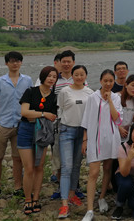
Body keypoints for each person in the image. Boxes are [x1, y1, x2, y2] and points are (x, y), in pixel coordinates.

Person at [0, 51, 33, 203]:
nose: (15, 63)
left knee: (17, 158)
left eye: (18, 61)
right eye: (12, 61)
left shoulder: (27, 80)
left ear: (21, 63)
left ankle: (17, 187)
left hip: (20, 124)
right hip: (3, 124)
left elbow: (31, 99)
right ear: (6, 63)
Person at [80, 69, 123, 221]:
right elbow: (86, 120)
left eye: (111, 81)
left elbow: (117, 119)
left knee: (107, 169)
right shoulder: (92, 97)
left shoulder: (116, 98)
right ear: (100, 81)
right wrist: (85, 140)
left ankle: (102, 197)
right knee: (93, 173)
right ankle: (89, 210)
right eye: (105, 81)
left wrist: (110, 100)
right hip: (95, 139)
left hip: (111, 138)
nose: (108, 83)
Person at [18, 66, 58, 215]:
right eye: (49, 76)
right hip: (26, 131)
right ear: (43, 76)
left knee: (39, 167)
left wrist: (37, 114)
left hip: (42, 133)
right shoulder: (31, 91)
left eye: (54, 77)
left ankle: (36, 198)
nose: (51, 79)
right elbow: (24, 112)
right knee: (29, 168)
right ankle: (27, 200)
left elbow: (53, 117)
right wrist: (43, 114)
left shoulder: (54, 97)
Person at [57, 65, 94, 218]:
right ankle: (64, 204)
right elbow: (60, 109)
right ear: (72, 76)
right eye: (76, 74)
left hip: (82, 132)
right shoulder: (65, 91)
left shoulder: (90, 92)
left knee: (77, 165)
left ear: (86, 76)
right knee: (67, 166)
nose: (79, 77)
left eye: (82, 74)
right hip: (67, 130)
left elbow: (91, 113)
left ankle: (72, 194)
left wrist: (87, 136)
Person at [51, 50, 78, 198]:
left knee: (75, 157)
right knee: (60, 157)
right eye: (64, 61)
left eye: (69, 61)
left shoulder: (78, 77)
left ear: (73, 62)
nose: (66, 64)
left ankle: (74, 187)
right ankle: (61, 187)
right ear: (59, 63)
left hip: (77, 123)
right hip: (58, 124)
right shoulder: (54, 79)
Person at [114, 74, 134, 143]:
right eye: (133, 85)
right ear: (126, 85)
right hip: (115, 133)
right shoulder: (116, 97)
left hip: (127, 136)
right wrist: (119, 128)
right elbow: (108, 115)